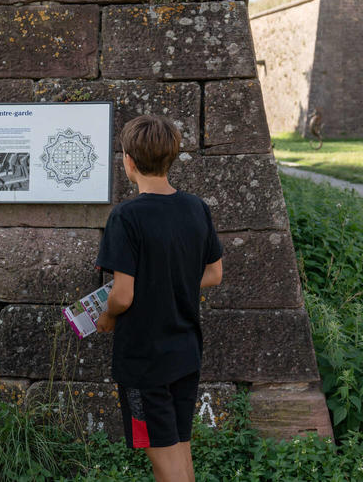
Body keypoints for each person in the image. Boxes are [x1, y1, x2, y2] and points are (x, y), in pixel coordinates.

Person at [95, 115, 223, 482]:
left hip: (145, 358)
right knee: (179, 447)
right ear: (171, 158)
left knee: (163, 458)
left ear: (129, 161)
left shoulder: (126, 216)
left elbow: (122, 294)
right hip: (185, 351)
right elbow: (214, 273)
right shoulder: (196, 208)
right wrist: (172, 282)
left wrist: (106, 315)